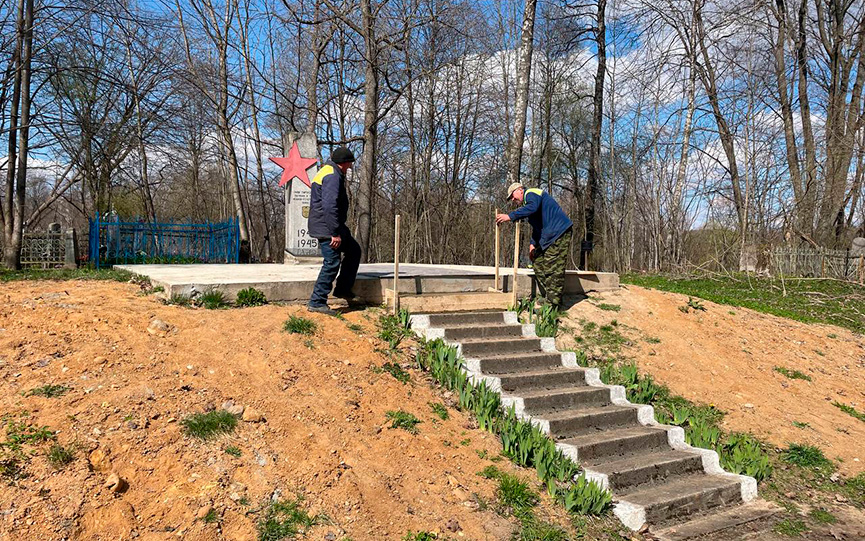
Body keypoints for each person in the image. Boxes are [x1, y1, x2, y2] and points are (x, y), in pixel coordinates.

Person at [496, 182, 573, 307]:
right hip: (548, 236)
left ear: (520, 190)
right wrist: (532, 244)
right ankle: (550, 297)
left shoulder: (532, 194)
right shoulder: (529, 207)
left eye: (513, 195)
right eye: (510, 198)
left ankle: (553, 304)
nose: (513, 199)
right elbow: (537, 228)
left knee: (552, 267)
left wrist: (510, 216)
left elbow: (532, 207)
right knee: (538, 262)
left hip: (559, 233)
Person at [307, 146, 361, 315]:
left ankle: (343, 289)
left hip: (331, 225)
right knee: (331, 262)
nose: (350, 167)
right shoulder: (332, 175)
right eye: (349, 164)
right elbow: (329, 206)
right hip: (327, 227)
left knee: (354, 250)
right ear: (343, 163)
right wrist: (334, 233)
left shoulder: (328, 171)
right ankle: (317, 301)